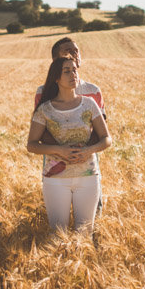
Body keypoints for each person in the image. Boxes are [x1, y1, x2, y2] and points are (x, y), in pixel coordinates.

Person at [27, 55, 112, 233]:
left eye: (74, 70)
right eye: (67, 71)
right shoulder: (45, 109)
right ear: (56, 78)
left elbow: (106, 138)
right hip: (55, 180)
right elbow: (32, 144)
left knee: (85, 233)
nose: (73, 74)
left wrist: (89, 150)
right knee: (58, 235)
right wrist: (59, 150)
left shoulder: (89, 104)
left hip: (88, 176)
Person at [34, 37, 106, 213]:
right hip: (55, 158)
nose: (75, 54)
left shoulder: (93, 90)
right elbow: (41, 128)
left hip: (87, 157)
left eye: (76, 50)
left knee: (93, 209)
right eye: (68, 50)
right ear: (56, 60)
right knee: (58, 210)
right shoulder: (43, 92)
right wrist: (62, 151)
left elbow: (101, 126)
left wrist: (83, 151)